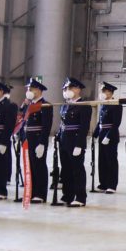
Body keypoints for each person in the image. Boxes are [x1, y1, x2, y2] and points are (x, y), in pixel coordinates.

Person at [14, 78, 53, 204]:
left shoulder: (45, 105)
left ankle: (40, 194)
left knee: (38, 166)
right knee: (29, 167)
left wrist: (42, 143)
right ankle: (30, 193)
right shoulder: (28, 105)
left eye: (31, 89)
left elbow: (46, 126)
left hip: (37, 139)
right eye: (28, 88)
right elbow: (24, 122)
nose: (28, 91)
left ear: (39, 90)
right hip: (27, 139)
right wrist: (20, 136)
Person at [55, 77, 91, 208]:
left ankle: (80, 197)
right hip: (64, 141)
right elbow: (62, 123)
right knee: (66, 170)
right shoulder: (65, 105)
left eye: (70, 88)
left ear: (78, 89)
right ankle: (67, 195)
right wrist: (58, 135)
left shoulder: (84, 106)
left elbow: (84, 127)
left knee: (77, 170)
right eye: (65, 88)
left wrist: (79, 144)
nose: (66, 90)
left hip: (75, 141)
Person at [93, 82, 123, 193]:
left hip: (111, 135)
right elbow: (100, 122)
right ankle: (103, 183)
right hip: (102, 134)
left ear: (110, 92)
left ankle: (112, 185)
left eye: (104, 91)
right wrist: (95, 134)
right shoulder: (104, 104)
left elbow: (116, 123)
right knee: (102, 160)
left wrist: (108, 136)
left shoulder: (116, 104)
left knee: (111, 161)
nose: (101, 93)